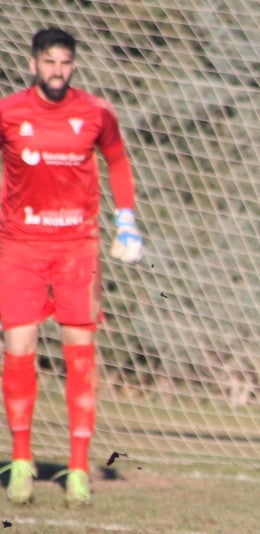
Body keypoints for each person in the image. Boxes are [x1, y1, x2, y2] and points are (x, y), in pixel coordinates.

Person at [0, 27, 144, 508]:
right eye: (49, 62)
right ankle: (21, 461)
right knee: (18, 349)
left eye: (65, 62)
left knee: (79, 353)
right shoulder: (9, 113)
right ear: (33, 63)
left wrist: (127, 223)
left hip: (76, 248)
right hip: (19, 245)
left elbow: (118, 161)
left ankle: (78, 469)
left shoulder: (95, 113)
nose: (57, 71)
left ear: (73, 65)